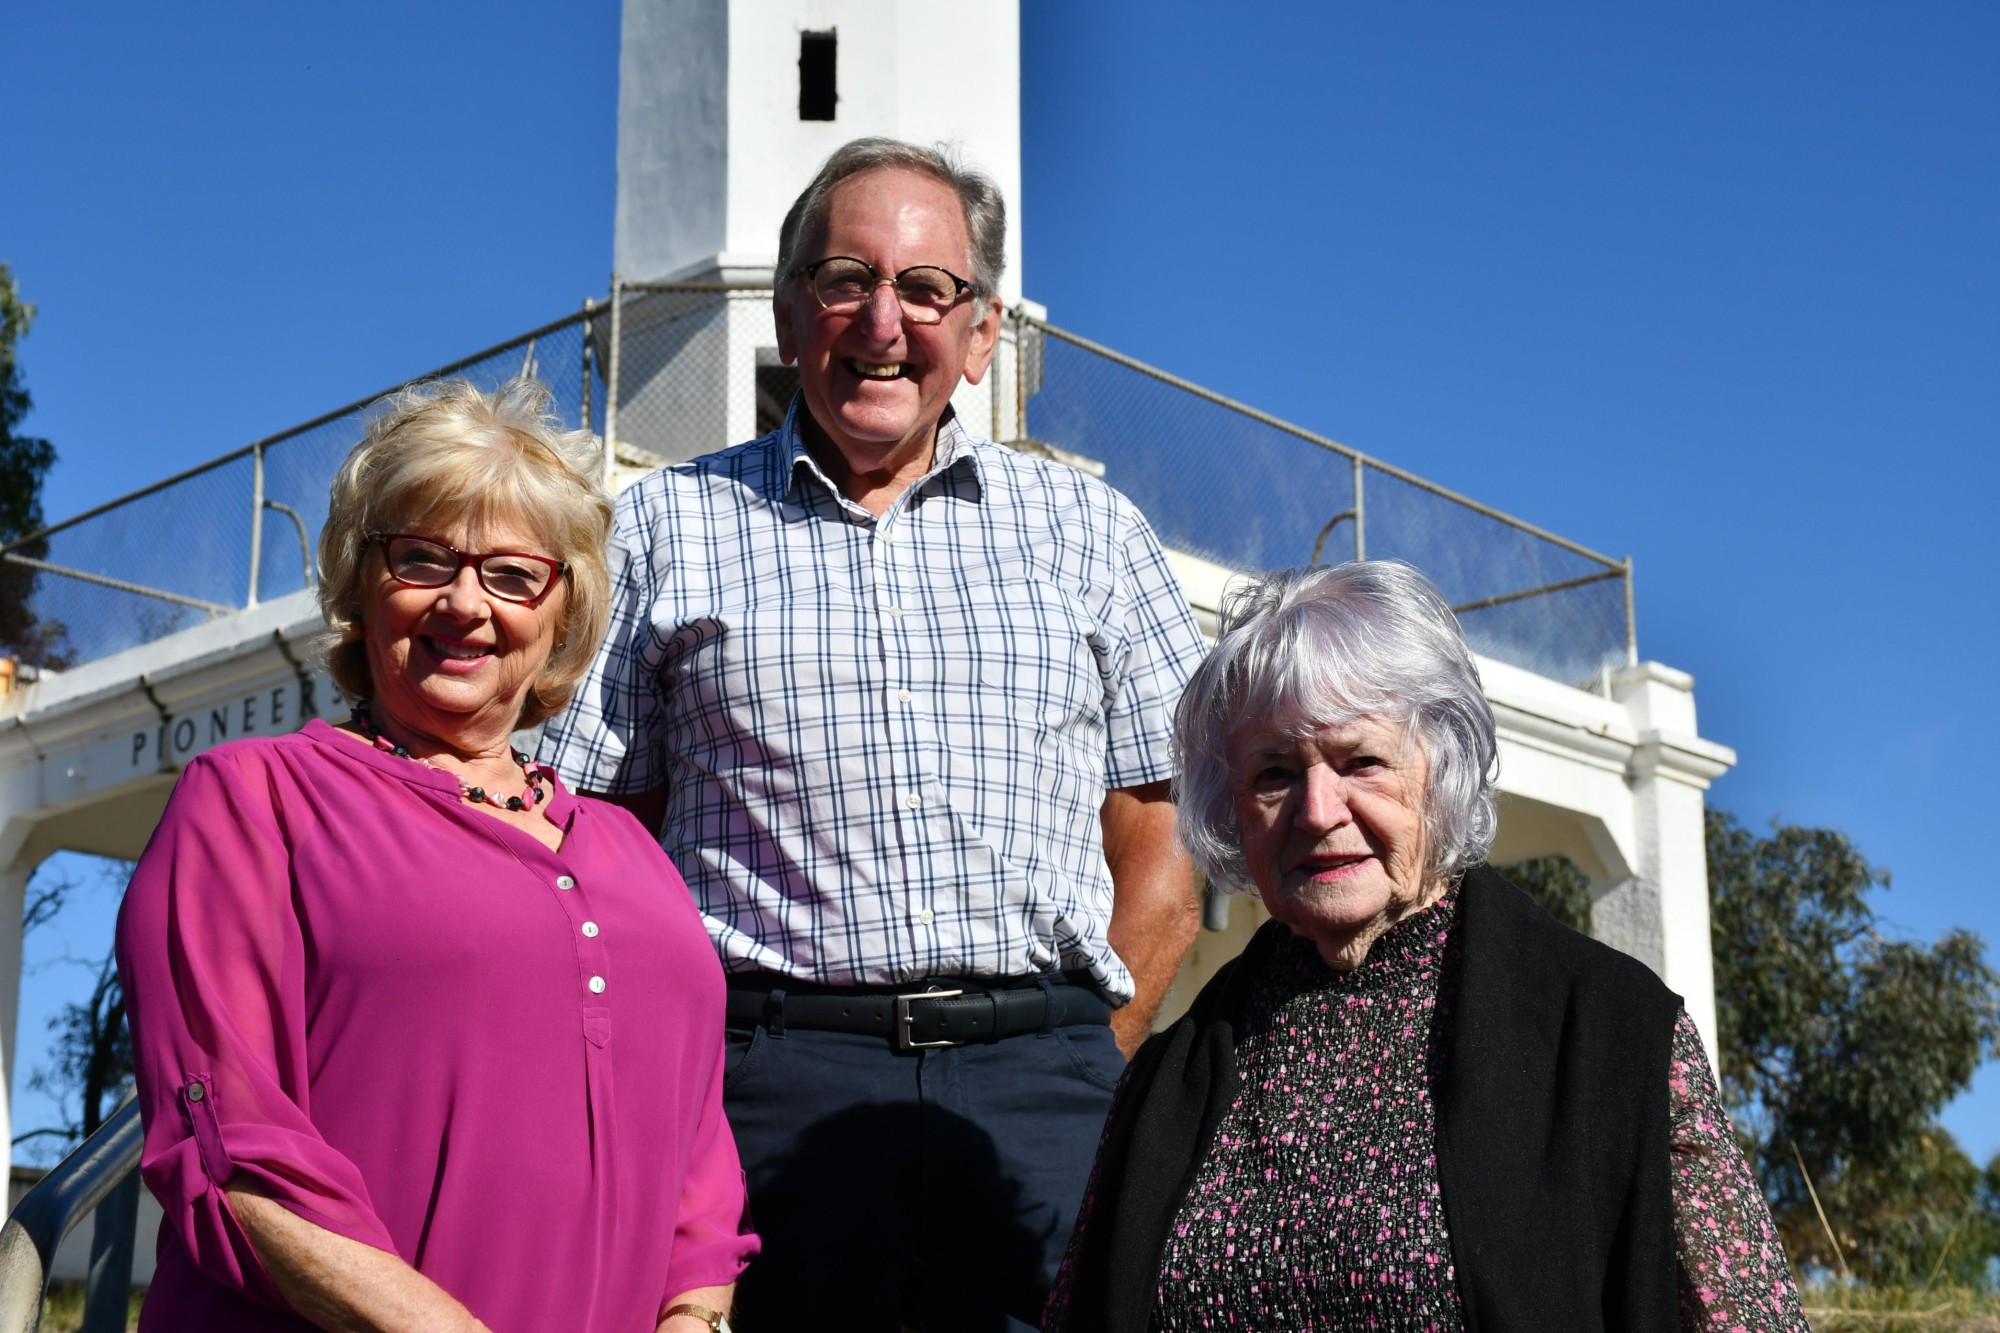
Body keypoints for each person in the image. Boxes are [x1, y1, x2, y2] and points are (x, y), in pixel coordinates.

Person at [540, 137, 1209, 1331]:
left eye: (924, 288)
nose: (882, 321)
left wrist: (1087, 1053)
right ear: (793, 307)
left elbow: (1164, 837)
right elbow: (590, 840)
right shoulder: (658, 530)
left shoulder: (1090, 532)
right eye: (845, 278)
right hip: (766, 1088)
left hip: (1044, 1088)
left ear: (984, 329)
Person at [116, 378, 756, 1333]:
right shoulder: (255, 800)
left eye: (511, 574)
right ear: (359, 581)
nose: (464, 603)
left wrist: (695, 1320)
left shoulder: (632, 849)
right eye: (422, 559)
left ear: (561, 615)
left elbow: (699, 1153)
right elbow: (227, 1149)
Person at [1046, 561, 1808, 1333]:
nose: (1316, 811)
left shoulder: (1612, 1032)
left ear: (1442, 764)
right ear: (1231, 808)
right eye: (1274, 773)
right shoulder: (1165, 1081)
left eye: (1361, 761)